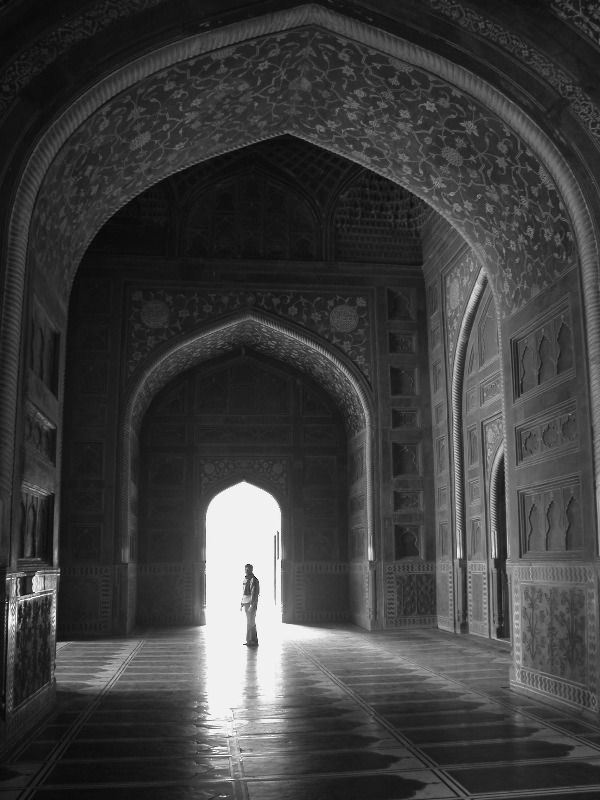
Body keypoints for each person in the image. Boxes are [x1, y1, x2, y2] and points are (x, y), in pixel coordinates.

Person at [240, 563, 260, 647]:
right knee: (249, 622)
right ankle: (250, 640)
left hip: (250, 603)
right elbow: (244, 592)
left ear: (251, 570)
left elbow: (254, 593)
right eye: (246, 569)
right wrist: (242, 603)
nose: (246, 571)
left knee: (251, 622)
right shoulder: (246, 579)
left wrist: (252, 604)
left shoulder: (253, 579)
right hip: (246, 603)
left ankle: (252, 641)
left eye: (248, 569)